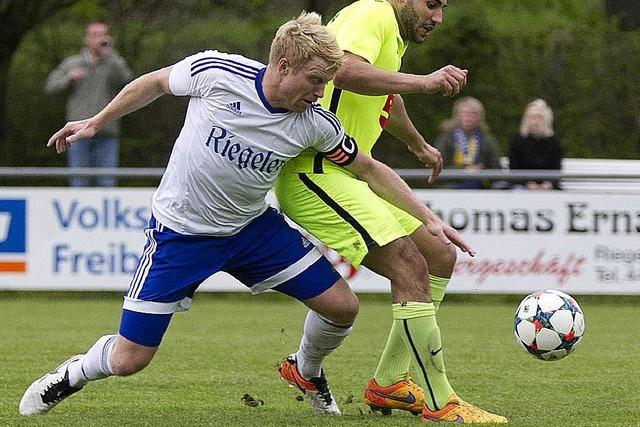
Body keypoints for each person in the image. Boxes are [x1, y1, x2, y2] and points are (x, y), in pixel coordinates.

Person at [19, 12, 473, 418]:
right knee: (129, 360)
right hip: (181, 236)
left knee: (342, 307)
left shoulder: (315, 123)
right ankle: (74, 373)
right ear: (283, 66)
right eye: (315, 80)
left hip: (252, 231)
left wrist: (429, 219)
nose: (321, 93)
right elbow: (156, 82)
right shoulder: (218, 73)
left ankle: (306, 370)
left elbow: (369, 168)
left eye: (326, 82)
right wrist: (97, 120)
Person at [274, 0, 507, 424]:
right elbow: (342, 69)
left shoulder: (389, 31)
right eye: (431, 4)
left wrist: (417, 143)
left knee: (438, 254)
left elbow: (384, 93)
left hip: (349, 174)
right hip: (317, 173)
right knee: (407, 265)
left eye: (443, 7)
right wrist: (426, 81)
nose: (437, 17)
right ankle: (441, 402)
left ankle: (390, 383)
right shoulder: (372, 13)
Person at [45, 21, 133, 187]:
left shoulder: (113, 63)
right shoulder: (73, 63)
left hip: (106, 131)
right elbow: (50, 87)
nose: (100, 39)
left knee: (107, 183)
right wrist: (68, 78)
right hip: (77, 133)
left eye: (103, 35)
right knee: (79, 182)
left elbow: (129, 81)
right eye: (96, 35)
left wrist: (110, 54)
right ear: (86, 39)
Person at [435, 96, 501, 189]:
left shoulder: (487, 140)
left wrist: (481, 171)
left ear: (480, 117)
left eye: (474, 114)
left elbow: (496, 168)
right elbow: (438, 167)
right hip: (450, 187)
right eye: (465, 113)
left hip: (481, 188)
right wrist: (464, 170)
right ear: (457, 116)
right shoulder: (446, 138)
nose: (469, 118)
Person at [509, 99, 563, 190]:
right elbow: (514, 170)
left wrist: (548, 184)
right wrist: (528, 184)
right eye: (531, 117)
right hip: (522, 185)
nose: (534, 121)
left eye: (539, 117)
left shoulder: (554, 142)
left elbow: (556, 169)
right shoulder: (518, 141)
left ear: (546, 119)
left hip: (548, 187)